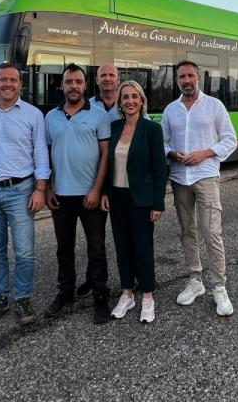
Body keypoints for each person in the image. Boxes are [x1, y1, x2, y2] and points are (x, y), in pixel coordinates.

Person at [0, 63, 50, 327]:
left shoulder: (33, 115)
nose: (8, 84)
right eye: (3, 79)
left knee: (25, 251)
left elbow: (40, 152)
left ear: (20, 84)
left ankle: (23, 297)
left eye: (13, 80)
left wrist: (41, 188)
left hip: (21, 190)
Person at [162, 60, 238, 316]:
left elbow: (230, 140)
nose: (186, 80)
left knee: (211, 232)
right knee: (187, 231)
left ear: (199, 79)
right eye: (182, 77)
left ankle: (219, 286)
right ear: (177, 81)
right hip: (179, 177)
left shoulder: (214, 106)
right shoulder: (171, 110)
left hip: (205, 176)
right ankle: (195, 280)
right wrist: (172, 152)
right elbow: (161, 143)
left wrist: (205, 153)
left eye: (190, 76)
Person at [44, 64, 112, 324]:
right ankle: (66, 292)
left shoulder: (98, 116)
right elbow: (46, 155)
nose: (73, 86)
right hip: (60, 195)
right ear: (62, 85)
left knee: (96, 248)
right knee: (64, 248)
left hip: (89, 195)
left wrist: (96, 189)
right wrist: (48, 187)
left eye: (78, 82)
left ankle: (100, 296)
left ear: (85, 85)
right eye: (68, 82)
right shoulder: (50, 118)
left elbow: (106, 154)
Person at [102, 80, 167, 323]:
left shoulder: (152, 130)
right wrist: (106, 192)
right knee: (122, 247)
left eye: (134, 97)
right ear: (120, 102)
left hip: (141, 198)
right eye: (125, 97)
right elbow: (110, 163)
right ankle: (127, 293)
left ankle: (148, 296)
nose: (129, 101)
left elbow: (160, 170)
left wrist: (158, 204)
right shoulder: (115, 126)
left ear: (141, 101)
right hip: (117, 197)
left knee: (142, 248)